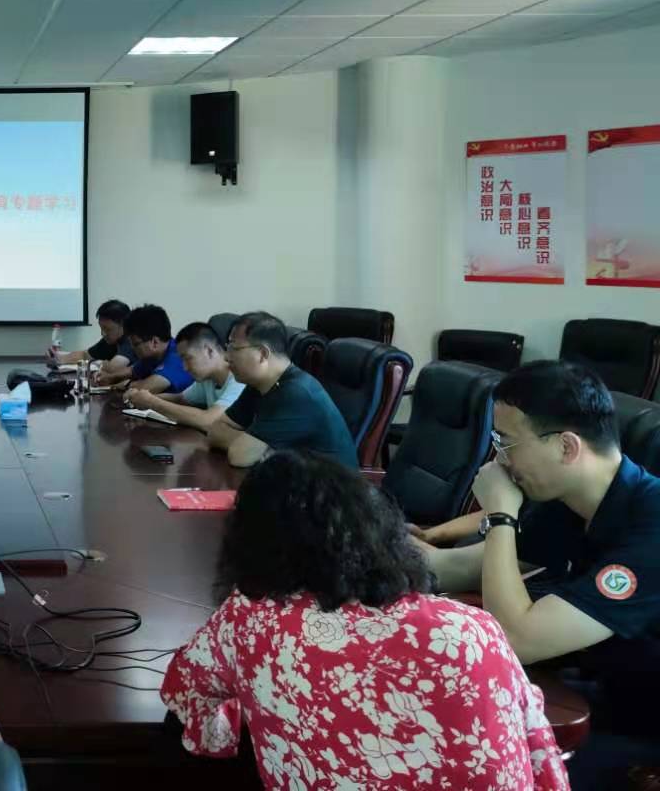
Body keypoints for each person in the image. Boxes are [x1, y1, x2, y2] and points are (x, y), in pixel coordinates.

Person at [161, 451, 567, 790]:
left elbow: (184, 695)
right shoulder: (472, 630)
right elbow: (537, 749)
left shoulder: (249, 620)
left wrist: (247, 708)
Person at [422, 361, 660, 789]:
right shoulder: (568, 502)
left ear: (566, 447)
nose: (499, 459)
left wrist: (501, 515)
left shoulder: (652, 524)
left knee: (464, 764)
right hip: (600, 688)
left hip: (643, 730)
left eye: (506, 442)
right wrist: (365, 548)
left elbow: (519, 638)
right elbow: (457, 568)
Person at [209, 311, 356, 468]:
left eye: (234, 348)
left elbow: (239, 456)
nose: (226, 357)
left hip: (327, 482)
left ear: (262, 354)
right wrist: (257, 447)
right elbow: (215, 431)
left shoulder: (296, 393)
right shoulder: (258, 384)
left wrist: (249, 447)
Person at [123, 321, 243, 431]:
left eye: (188, 358)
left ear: (209, 351)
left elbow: (209, 421)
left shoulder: (239, 378)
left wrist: (152, 402)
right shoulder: (208, 377)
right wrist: (141, 398)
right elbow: (181, 399)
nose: (185, 368)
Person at [114, 304, 193, 394]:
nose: (132, 348)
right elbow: (132, 370)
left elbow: (144, 388)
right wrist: (110, 377)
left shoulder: (179, 355)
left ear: (155, 342)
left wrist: (128, 384)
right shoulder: (152, 356)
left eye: (135, 344)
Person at [50, 299, 130, 365]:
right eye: (101, 328)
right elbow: (84, 355)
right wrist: (58, 357)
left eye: (107, 329)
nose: (103, 334)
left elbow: (114, 367)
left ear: (122, 324)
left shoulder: (130, 341)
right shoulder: (110, 341)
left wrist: (99, 363)